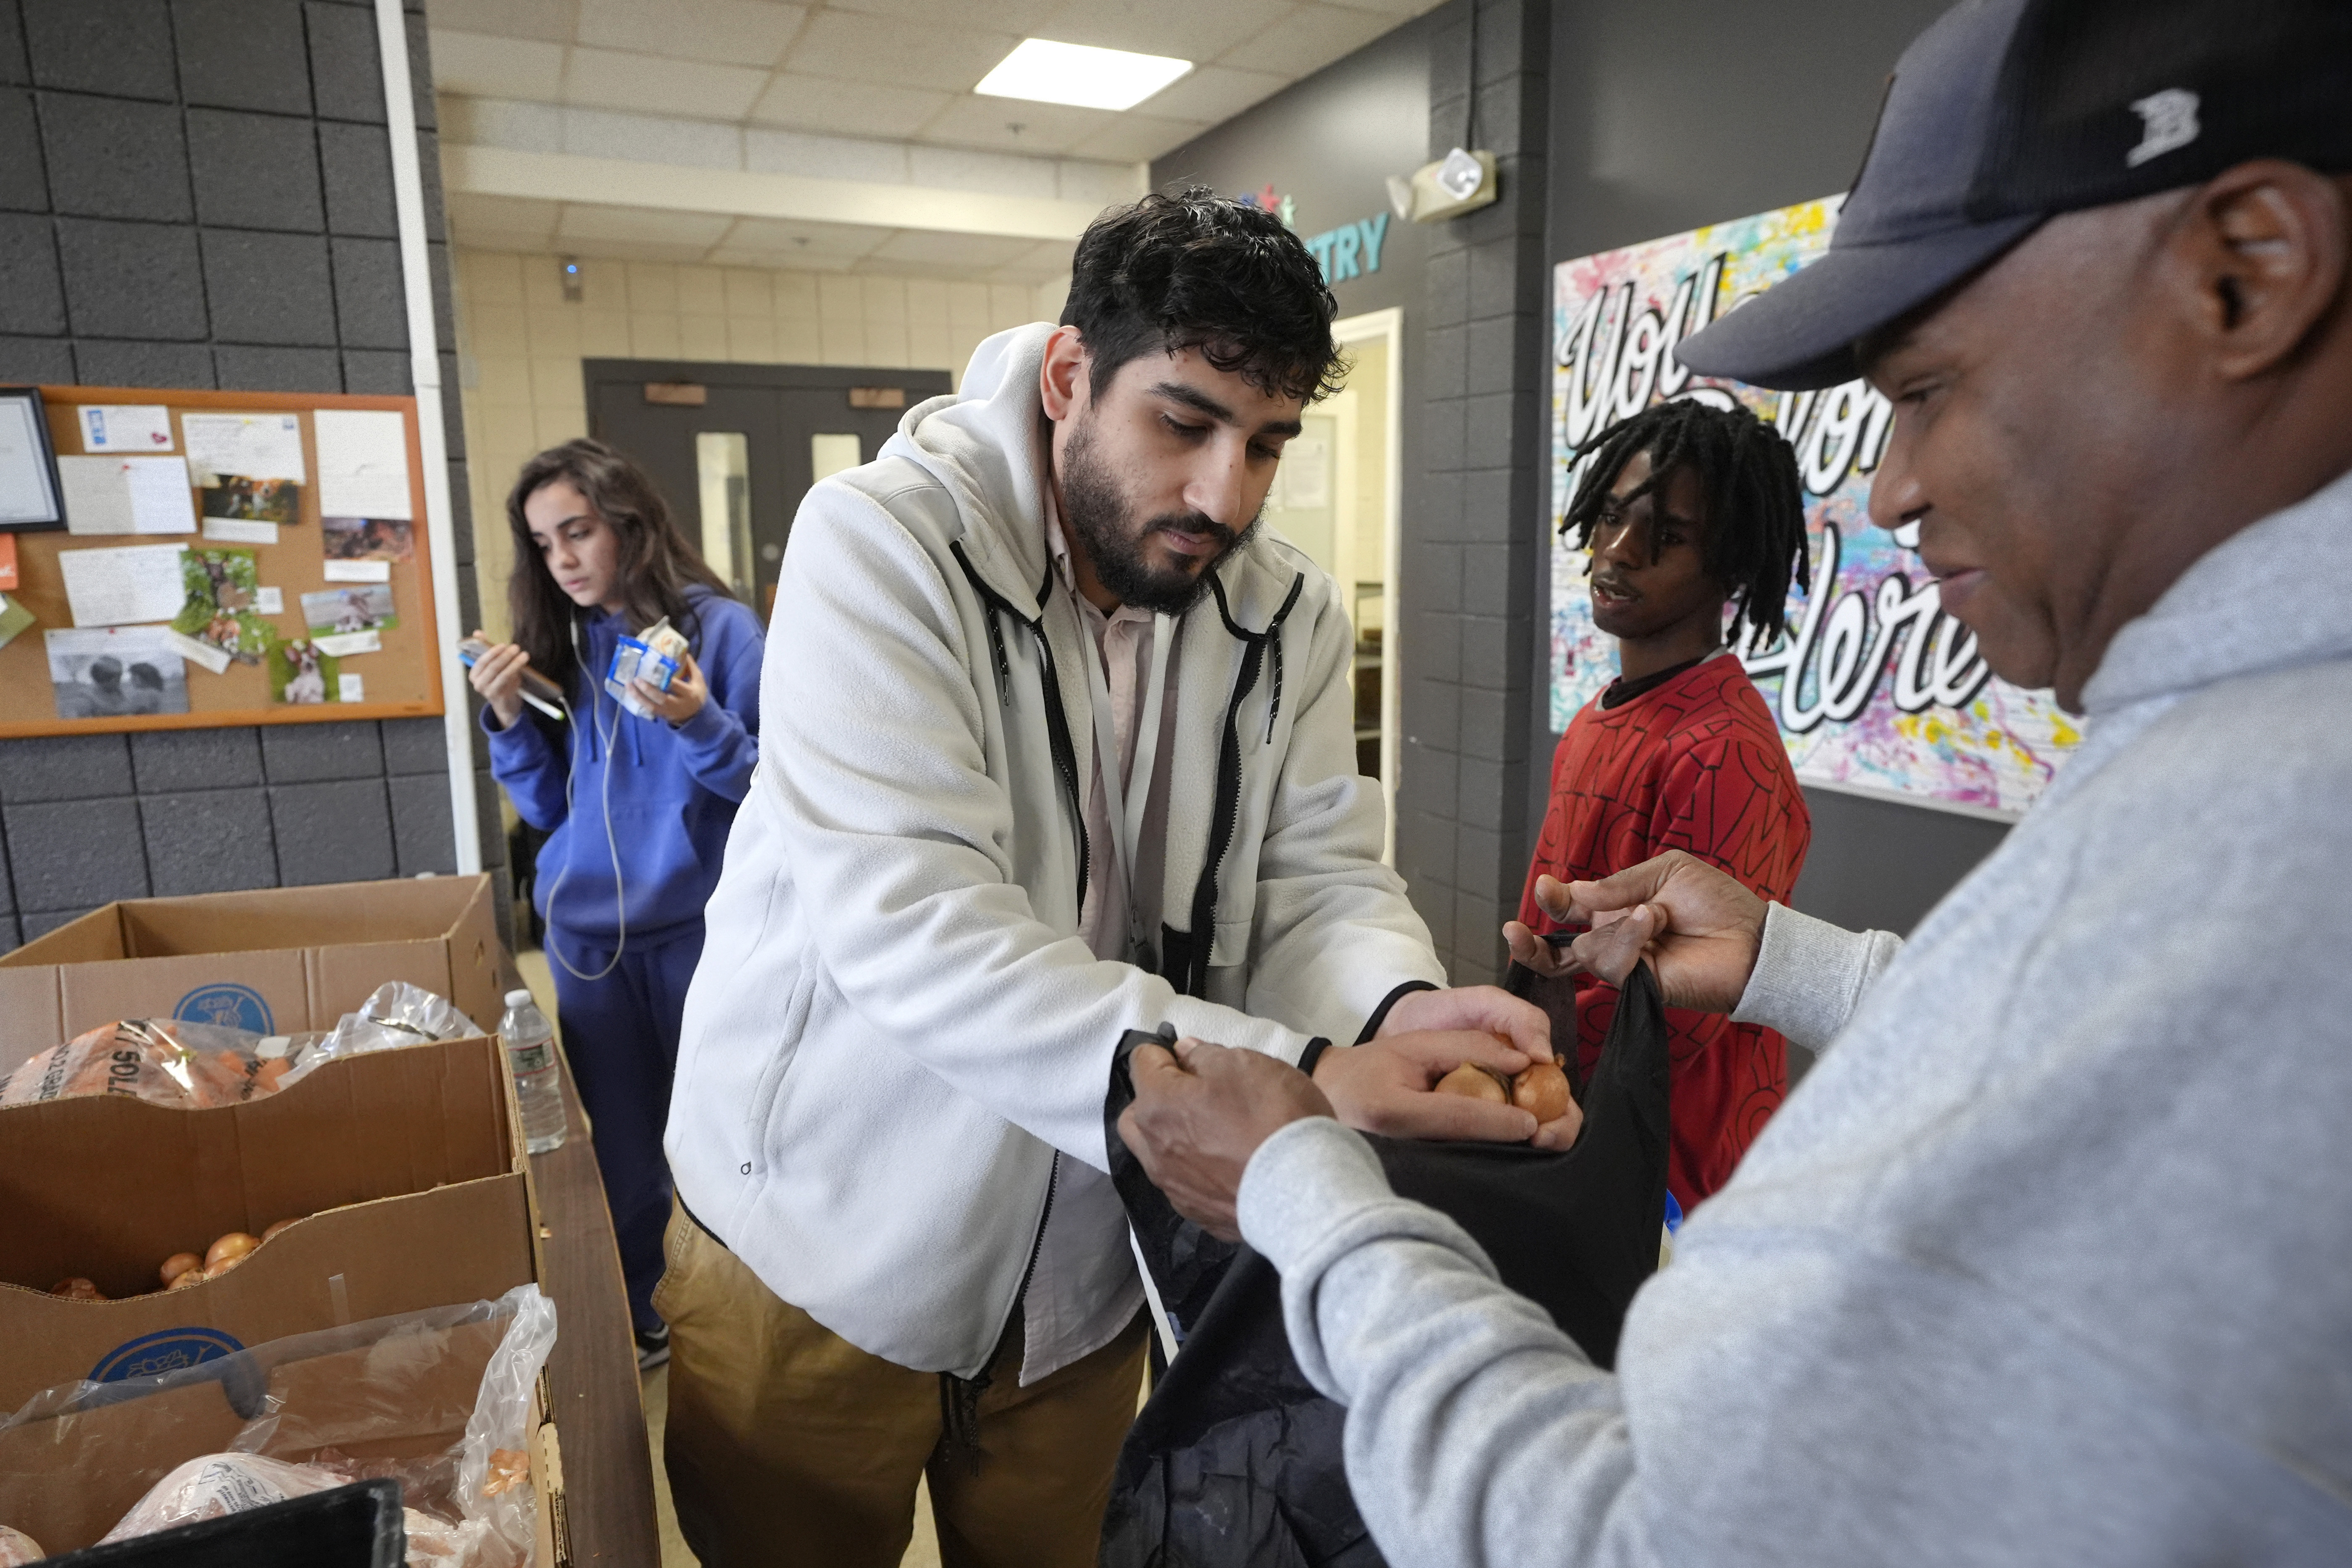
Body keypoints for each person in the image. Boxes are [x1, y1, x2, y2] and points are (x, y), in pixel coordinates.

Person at [1119, 0, 2352, 1560]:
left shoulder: (2252, 841)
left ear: (2241, 270)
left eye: (1923, 389)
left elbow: (1635, 1532)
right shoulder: (2212, 779)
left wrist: (1306, 1193)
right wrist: (1802, 965)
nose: (1893, 486)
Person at [659, 190, 1560, 1568]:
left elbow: (1316, 873)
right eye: (1183, 423)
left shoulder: (1280, 609)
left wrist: (1390, 1017)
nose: (1225, 495)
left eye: (1265, 445)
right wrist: (1306, 1072)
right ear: (1072, 375)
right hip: (824, 1234)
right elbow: (915, 924)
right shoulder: (881, 546)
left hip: (1095, 1254)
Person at [466, 438, 763, 1370]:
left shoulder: (723, 634)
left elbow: (774, 792)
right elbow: (556, 810)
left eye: (579, 531)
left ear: (629, 527)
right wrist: (512, 721)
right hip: (590, 947)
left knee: (725, 1140)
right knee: (624, 1156)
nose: (562, 558)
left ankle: (748, 1310)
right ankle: (652, 1315)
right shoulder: (570, 650)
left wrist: (696, 720)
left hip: (701, 938)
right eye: (544, 542)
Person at [1506, 400, 1812, 1205]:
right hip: (1576, 1107)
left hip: (1675, 1160)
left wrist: (1535, 1071)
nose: (1618, 551)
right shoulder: (1604, 710)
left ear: (1731, 566)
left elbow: (1681, 1013)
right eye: (1611, 516)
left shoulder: (1722, 750)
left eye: (1668, 537)